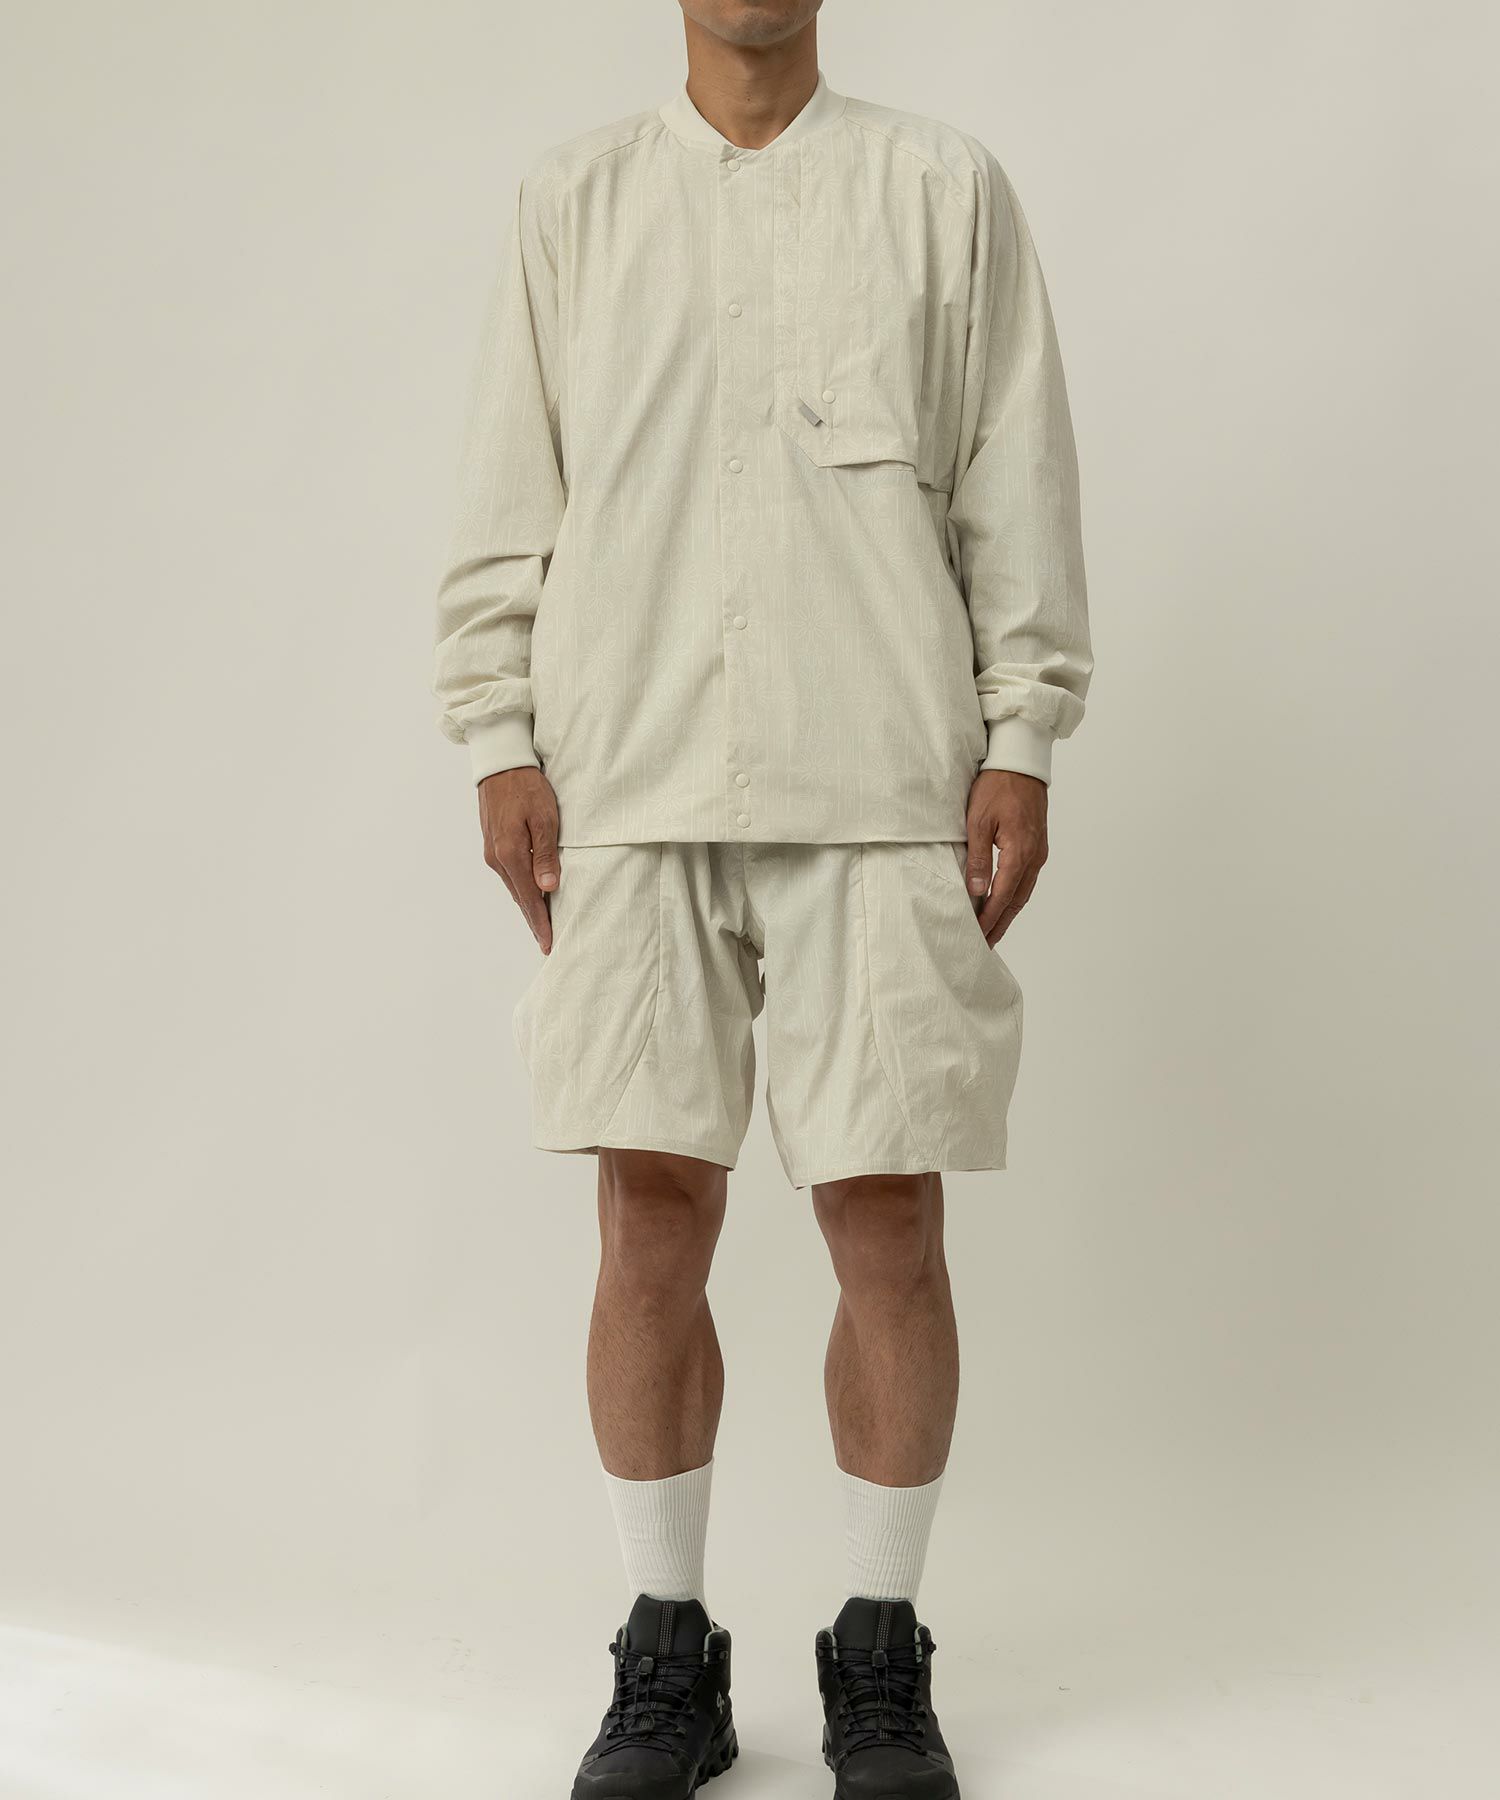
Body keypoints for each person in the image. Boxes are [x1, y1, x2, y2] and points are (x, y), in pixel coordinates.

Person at [432, 2, 1091, 1793]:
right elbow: (507, 489)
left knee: (887, 1216)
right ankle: (668, 1653)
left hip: (882, 770)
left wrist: (1023, 734)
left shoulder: (941, 188)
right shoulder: (573, 203)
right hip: (629, 772)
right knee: (651, 1214)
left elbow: (1013, 473)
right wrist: (497, 735)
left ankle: (880, 1648)